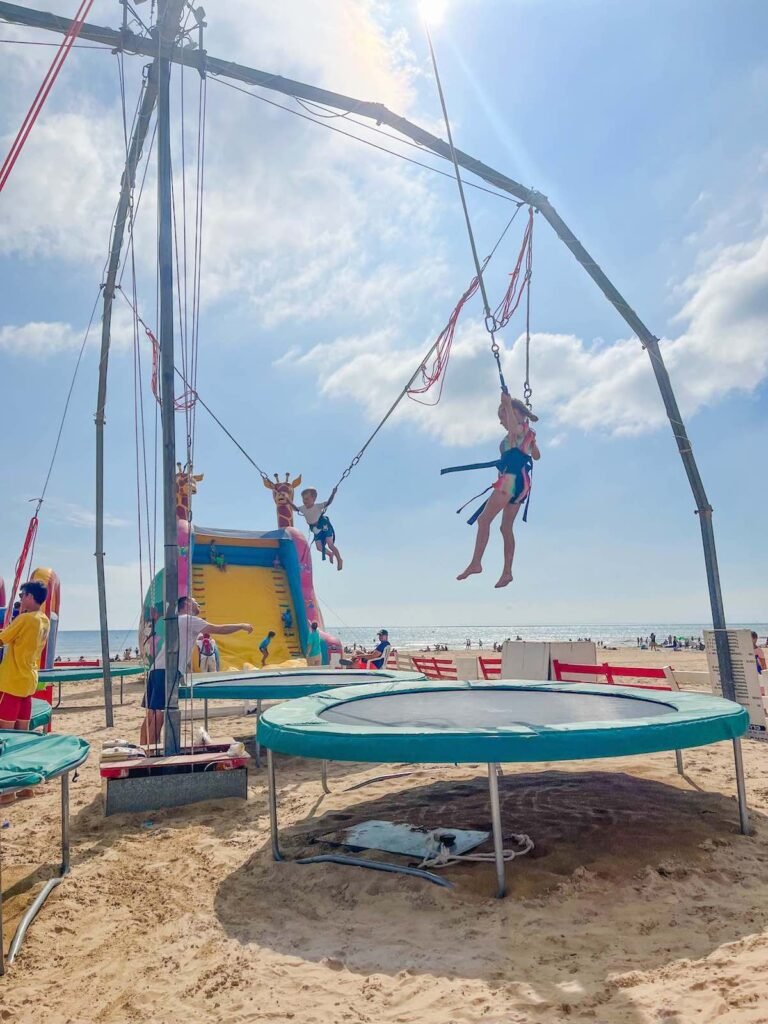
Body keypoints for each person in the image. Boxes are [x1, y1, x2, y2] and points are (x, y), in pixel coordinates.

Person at [141, 596, 253, 747]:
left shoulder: (174, 620)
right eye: (195, 603)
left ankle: (143, 747)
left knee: (151, 713)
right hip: (168, 670)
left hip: (156, 668)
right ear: (187, 604)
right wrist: (241, 625)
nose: (198, 605)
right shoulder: (189, 619)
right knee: (160, 712)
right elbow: (219, 629)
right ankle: (151, 751)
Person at [457, 393, 540, 588]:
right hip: (523, 484)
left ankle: (476, 563)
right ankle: (507, 572)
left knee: (484, 520)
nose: (501, 421)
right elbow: (536, 456)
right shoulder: (528, 433)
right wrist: (530, 443)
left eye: (503, 416)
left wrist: (507, 405)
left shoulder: (518, 429)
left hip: (510, 480)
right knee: (506, 527)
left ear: (516, 413)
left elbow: (514, 428)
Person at [0, 581, 50, 802]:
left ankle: (8, 791)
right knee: (23, 735)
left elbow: (3, 638)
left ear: (30, 596)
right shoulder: (44, 620)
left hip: (11, 682)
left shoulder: (24, 619)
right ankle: (26, 787)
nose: (21, 598)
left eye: (22, 595)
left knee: (6, 737)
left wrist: (18, 614)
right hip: (28, 682)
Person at [292, 487, 343, 570]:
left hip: (323, 525)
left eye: (307, 499)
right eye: (303, 499)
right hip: (315, 529)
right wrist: (288, 501)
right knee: (319, 547)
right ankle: (330, 554)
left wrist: (333, 494)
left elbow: (328, 503)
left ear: (314, 498)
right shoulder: (303, 508)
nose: (305, 501)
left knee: (330, 544)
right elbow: (295, 508)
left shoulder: (318, 506)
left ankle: (339, 559)